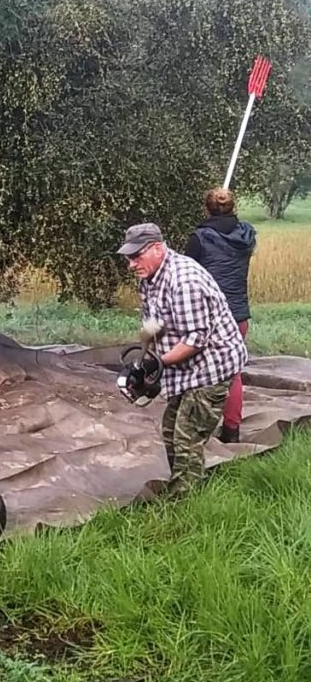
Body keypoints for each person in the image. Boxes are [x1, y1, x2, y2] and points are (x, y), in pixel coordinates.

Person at [117, 222, 248, 498]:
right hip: (186, 368)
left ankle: (184, 503)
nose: (131, 264)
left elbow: (195, 340)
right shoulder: (150, 277)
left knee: (186, 437)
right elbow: (154, 324)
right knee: (169, 430)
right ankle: (182, 485)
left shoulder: (184, 280)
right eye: (128, 257)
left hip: (212, 366)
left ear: (156, 248)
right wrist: (142, 364)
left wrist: (157, 364)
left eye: (136, 256)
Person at [185, 188, 256, 443]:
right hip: (238, 317)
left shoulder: (199, 239)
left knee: (198, 371)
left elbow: (185, 275)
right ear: (233, 207)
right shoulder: (247, 236)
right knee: (233, 373)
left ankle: (197, 431)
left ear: (206, 208)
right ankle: (231, 431)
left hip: (209, 317)